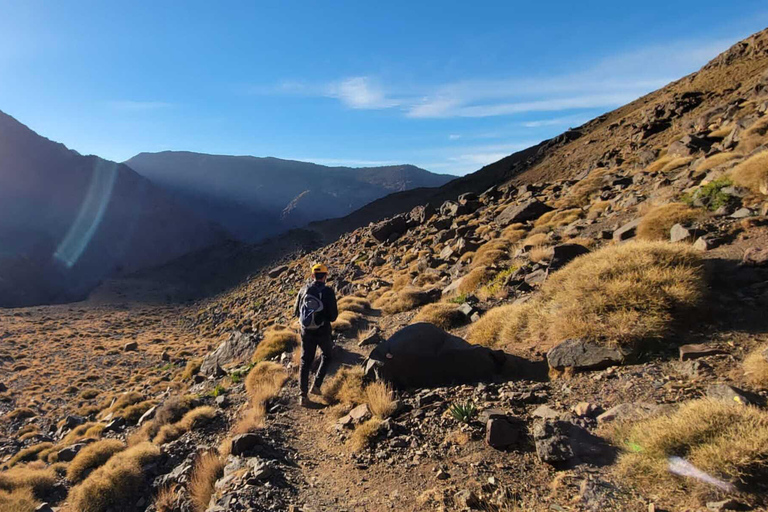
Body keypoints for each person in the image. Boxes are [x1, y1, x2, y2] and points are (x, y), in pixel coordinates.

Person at [294, 262, 338, 406]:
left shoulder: (303, 290)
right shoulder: (328, 292)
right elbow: (333, 317)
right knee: (327, 355)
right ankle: (316, 385)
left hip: (306, 332)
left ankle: (303, 396)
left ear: (312, 275)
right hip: (323, 331)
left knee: (305, 361)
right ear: (325, 276)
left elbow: (296, 312)